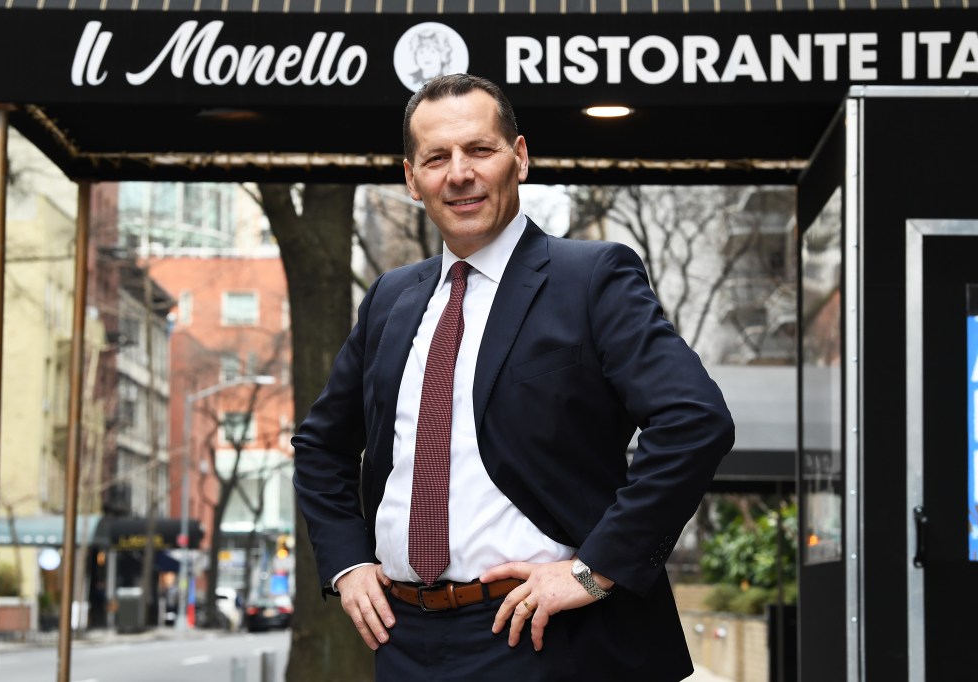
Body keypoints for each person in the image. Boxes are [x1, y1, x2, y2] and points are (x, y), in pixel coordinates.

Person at [293, 73, 735, 681]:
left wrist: (596, 569)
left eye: (480, 150)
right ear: (411, 179)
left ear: (518, 158)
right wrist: (346, 564)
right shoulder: (390, 299)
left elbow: (695, 421)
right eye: (436, 158)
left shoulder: (591, 279)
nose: (460, 173)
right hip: (403, 640)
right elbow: (321, 446)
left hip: (550, 637)